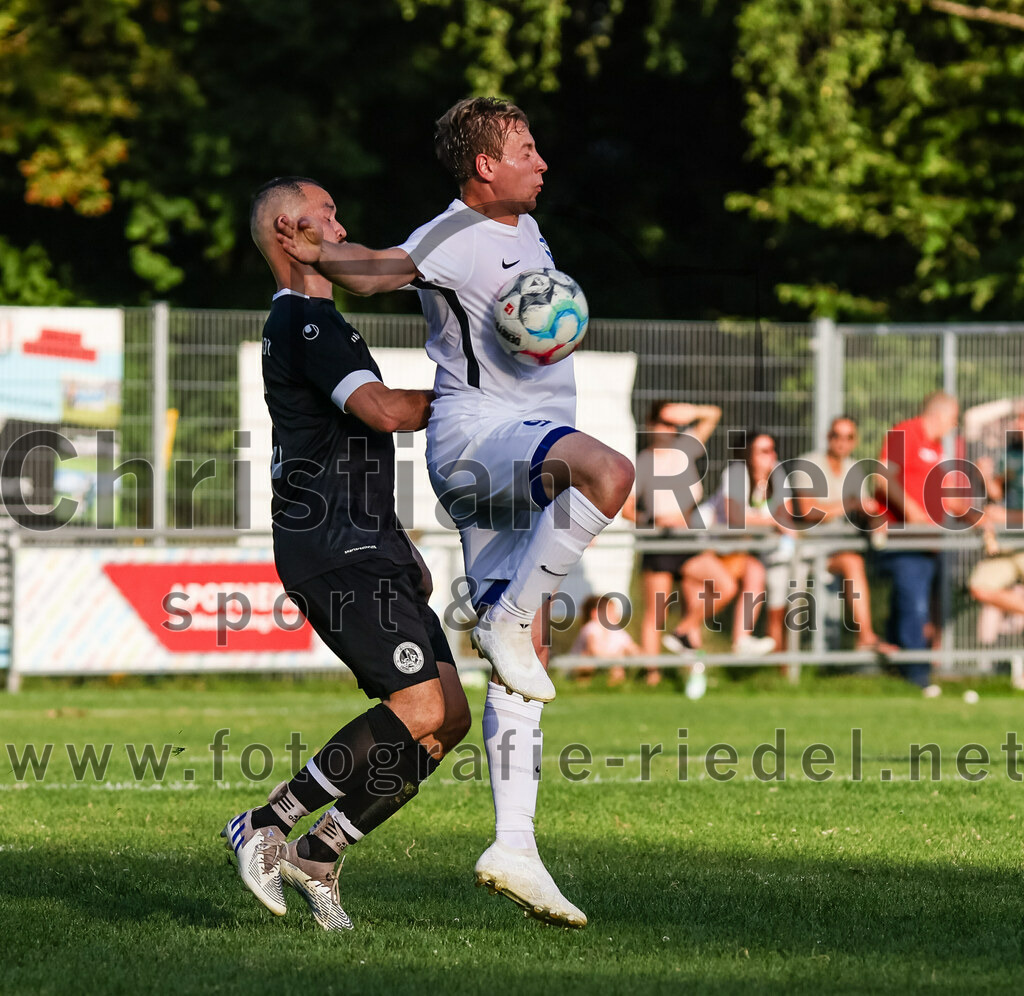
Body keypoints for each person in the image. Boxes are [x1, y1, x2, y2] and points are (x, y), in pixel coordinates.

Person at [275, 98, 635, 927]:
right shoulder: (456, 231)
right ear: (485, 166)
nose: (542, 162)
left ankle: (515, 847)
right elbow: (381, 270)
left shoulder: (526, 229)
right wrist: (320, 252)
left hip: (511, 455)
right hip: (480, 440)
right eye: (526, 149)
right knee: (608, 473)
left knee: (526, 659)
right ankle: (503, 621)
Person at [222, 176, 471, 931]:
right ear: (289, 233)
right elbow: (384, 412)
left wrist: (398, 541)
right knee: (417, 705)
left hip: (368, 540)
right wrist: (479, 399)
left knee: (448, 717)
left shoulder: (321, 322)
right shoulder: (304, 321)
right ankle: (266, 822)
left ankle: (319, 853)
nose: (341, 225)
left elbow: (352, 441)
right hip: (334, 545)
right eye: (325, 215)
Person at [621, 399, 724, 685]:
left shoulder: (685, 447)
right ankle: (651, 676)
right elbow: (628, 509)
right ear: (650, 425)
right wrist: (653, 521)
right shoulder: (642, 462)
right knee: (656, 613)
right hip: (659, 542)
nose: (670, 428)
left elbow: (713, 414)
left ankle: (686, 645)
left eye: (673, 423)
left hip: (688, 539)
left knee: (719, 588)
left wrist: (690, 412)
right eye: (664, 422)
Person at [876, 391, 961, 691]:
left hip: (927, 542)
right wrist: (911, 510)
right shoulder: (904, 432)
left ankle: (894, 668)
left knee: (908, 604)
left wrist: (978, 514)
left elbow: (950, 498)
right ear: (939, 414)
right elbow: (882, 478)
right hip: (902, 538)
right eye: (953, 419)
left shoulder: (938, 448)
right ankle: (917, 675)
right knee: (914, 604)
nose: (954, 426)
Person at [790, 416, 896, 654]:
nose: (841, 442)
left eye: (848, 437)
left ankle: (868, 637)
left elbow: (863, 509)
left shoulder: (854, 469)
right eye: (836, 435)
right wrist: (849, 504)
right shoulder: (808, 464)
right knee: (853, 562)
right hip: (806, 550)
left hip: (836, 549)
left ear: (855, 441)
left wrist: (875, 519)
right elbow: (807, 510)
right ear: (828, 437)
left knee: (860, 562)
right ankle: (864, 637)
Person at [714, 431, 787, 655]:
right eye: (763, 451)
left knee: (759, 576)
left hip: (746, 551)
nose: (771, 456)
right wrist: (771, 522)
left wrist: (773, 523)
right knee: (722, 591)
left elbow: (787, 517)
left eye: (773, 450)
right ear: (749, 454)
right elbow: (735, 518)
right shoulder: (737, 472)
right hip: (714, 547)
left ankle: (742, 643)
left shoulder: (776, 473)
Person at [569, 593, 641, 684]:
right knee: (586, 660)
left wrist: (634, 652)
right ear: (595, 614)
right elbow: (593, 650)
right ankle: (583, 684)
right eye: (610, 611)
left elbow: (631, 647)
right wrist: (615, 656)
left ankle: (614, 686)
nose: (615, 615)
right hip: (585, 664)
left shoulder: (616, 631)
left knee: (618, 665)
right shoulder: (591, 628)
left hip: (606, 662)